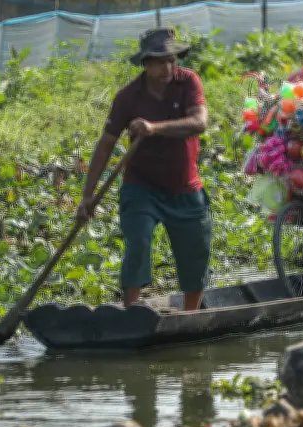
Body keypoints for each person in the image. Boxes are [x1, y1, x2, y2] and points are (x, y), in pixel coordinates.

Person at [77, 27, 211, 311]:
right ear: (146, 64)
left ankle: (190, 316)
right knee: (138, 243)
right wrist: (87, 197)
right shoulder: (128, 97)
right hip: (142, 188)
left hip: (184, 186)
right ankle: (131, 312)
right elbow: (106, 145)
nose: (168, 66)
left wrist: (153, 128)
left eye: (172, 59)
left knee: (195, 252)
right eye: (160, 61)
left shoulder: (188, 82)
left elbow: (199, 123)